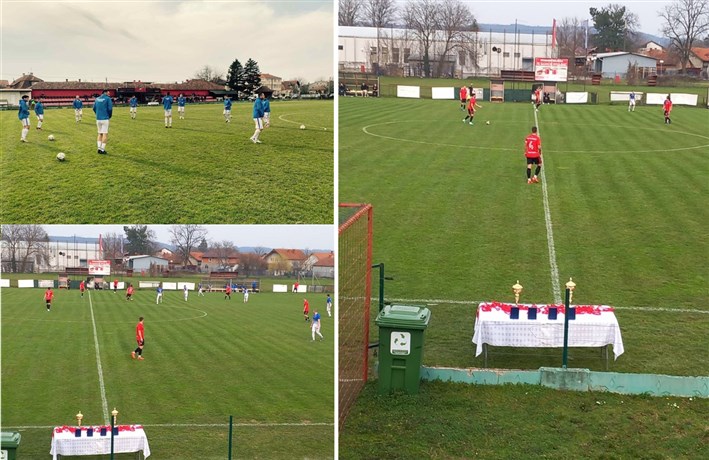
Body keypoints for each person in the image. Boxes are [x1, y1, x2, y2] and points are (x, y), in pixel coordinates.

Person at [93, 89, 113, 154]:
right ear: (105, 92)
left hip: (98, 119)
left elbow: (94, 108)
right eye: (108, 93)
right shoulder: (108, 99)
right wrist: (109, 116)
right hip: (105, 118)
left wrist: (97, 114)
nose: (109, 94)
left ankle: (99, 148)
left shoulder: (97, 99)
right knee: (105, 134)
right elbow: (110, 109)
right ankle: (102, 149)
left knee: (99, 133)